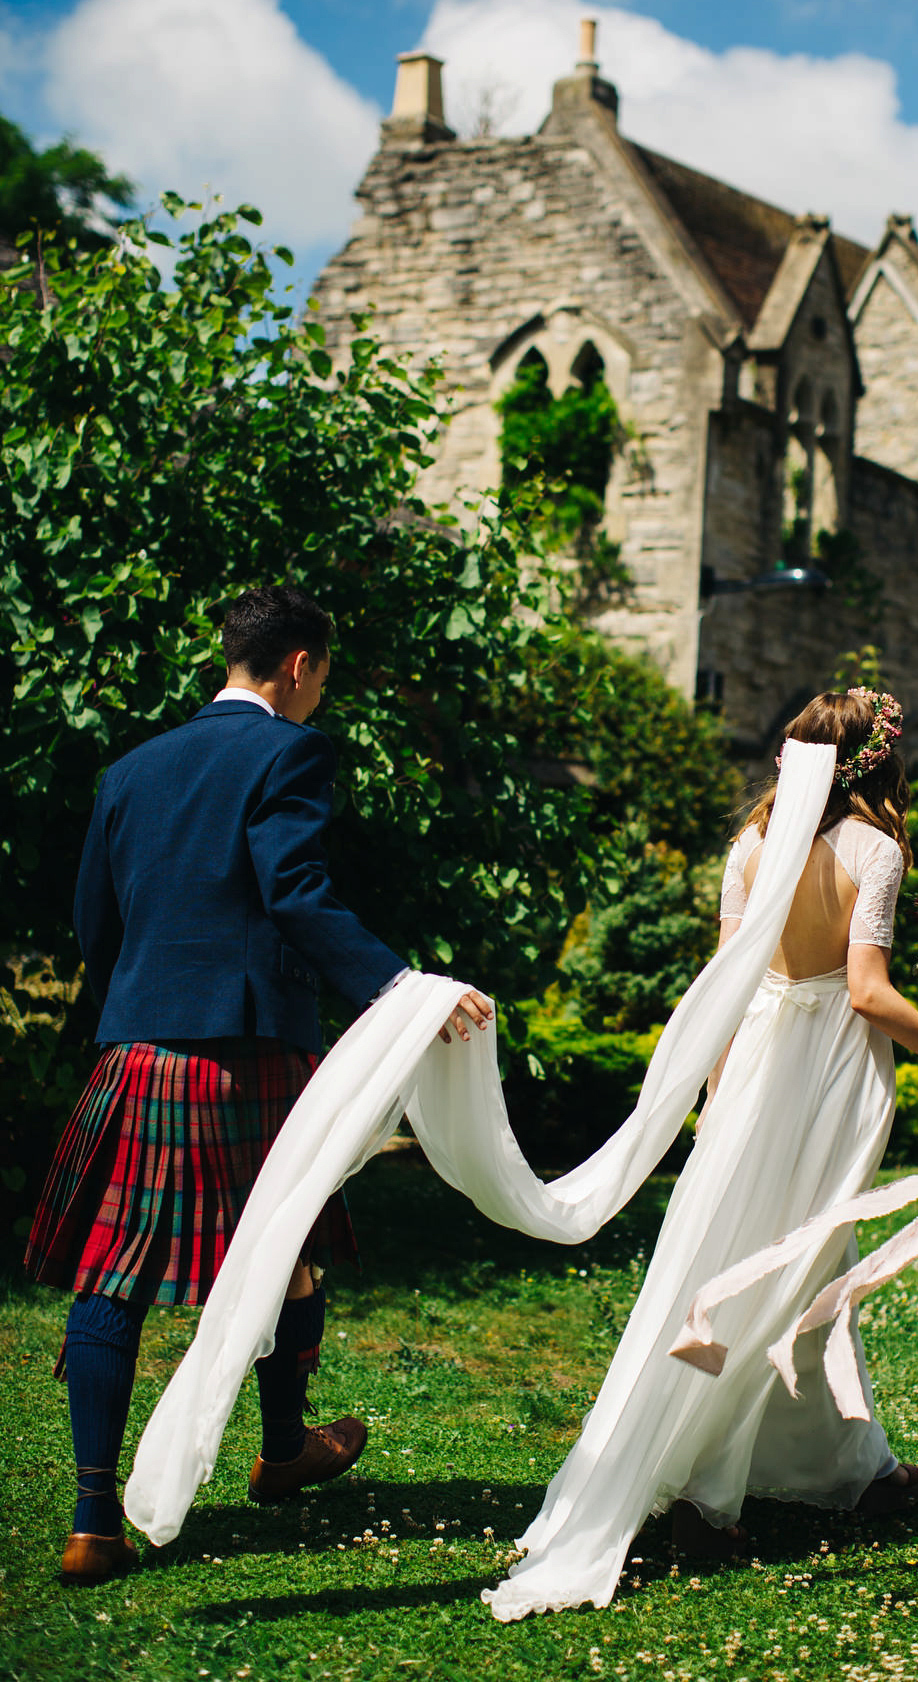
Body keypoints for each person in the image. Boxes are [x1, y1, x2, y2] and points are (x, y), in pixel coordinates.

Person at [484, 687, 918, 1619]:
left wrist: (716, 1099)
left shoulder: (748, 850)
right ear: (875, 767)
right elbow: (864, 992)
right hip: (826, 1076)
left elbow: (726, 987)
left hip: (754, 1071)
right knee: (786, 1271)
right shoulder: (876, 854)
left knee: (782, 1259)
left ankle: (850, 1464)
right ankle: (706, 1496)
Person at [24, 584, 491, 1585]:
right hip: (251, 1049)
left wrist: (137, 1011)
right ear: (296, 666)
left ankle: (94, 1517)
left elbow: (93, 921)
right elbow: (295, 893)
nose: (321, 692)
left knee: (115, 1268)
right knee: (290, 1241)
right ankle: (282, 1449)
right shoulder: (290, 752)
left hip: (141, 1047)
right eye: (323, 674)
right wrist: (405, 991)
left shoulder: (130, 769)